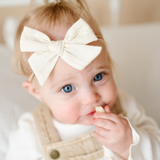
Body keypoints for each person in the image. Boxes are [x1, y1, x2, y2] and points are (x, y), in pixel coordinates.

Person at [5, 0, 160, 160]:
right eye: (68, 88)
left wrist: (128, 144)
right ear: (36, 91)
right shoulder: (30, 132)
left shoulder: (125, 107)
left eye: (98, 77)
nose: (91, 98)